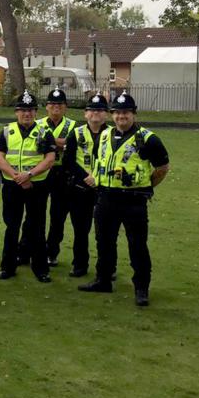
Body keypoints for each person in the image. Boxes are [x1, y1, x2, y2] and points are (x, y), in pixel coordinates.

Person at [79, 92, 170, 306]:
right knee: (104, 242)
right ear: (112, 115)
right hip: (105, 197)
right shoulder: (104, 135)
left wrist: (146, 186)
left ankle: (141, 288)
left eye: (126, 112)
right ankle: (103, 280)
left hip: (133, 201)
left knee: (137, 245)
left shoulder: (148, 139)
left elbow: (163, 167)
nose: (122, 116)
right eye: (118, 112)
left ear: (134, 114)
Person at [0, 91, 57, 283]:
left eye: (30, 110)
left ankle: (41, 269)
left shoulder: (45, 133)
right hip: (13, 186)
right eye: (23, 110)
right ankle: (8, 267)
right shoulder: (6, 131)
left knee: (37, 228)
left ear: (36, 112)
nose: (26, 114)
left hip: (36, 186)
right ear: (16, 112)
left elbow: (50, 159)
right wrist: (17, 177)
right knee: (11, 227)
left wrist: (29, 175)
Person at [63, 93, 110, 279]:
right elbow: (68, 161)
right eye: (92, 110)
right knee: (80, 230)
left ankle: (107, 268)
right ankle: (80, 265)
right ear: (85, 113)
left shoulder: (113, 134)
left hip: (104, 190)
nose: (95, 114)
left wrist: (96, 177)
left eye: (99, 110)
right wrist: (85, 177)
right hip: (80, 189)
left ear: (105, 114)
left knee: (105, 233)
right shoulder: (76, 133)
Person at [31, 87, 77, 266]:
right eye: (52, 104)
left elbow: (72, 144)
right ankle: (32, 249)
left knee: (58, 216)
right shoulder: (38, 122)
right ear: (47, 106)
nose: (56, 107)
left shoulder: (73, 125)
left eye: (60, 104)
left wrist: (49, 142)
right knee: (36, 214)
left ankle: (52, 252)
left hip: (63, 174)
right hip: (42, 172)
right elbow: (37, 145)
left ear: (65, 107)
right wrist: (60, 144)